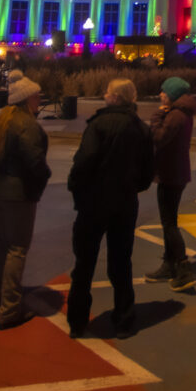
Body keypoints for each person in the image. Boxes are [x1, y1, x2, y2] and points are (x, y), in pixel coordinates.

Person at [67, 79, 154, 338]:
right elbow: (148, 171)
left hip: (94, 201)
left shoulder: (99, 125)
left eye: (106, 92)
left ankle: (77, 319)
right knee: (121, 261)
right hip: (125, 202)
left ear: (115, 97)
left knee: (84, 262)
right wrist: (132, 186)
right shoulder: (140, 128)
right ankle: (124, 318)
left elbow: (84, 161)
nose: (104, 95)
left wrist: (76, 187)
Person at [0, 78, 52, 329]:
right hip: (18, 193)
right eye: (36, 95)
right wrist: (43, 180)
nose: (40, 99)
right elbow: (36, 162)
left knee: (1, 244)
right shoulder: (26, 125)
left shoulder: (3, 121)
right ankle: (10, 307)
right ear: (26, 98)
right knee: (17, 248)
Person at [146, 76, 196, 291]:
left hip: (171, 173)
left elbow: (158, 137)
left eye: (163, 92)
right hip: (175, 172)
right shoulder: (180, 113)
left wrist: (157, 115)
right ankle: (169, 264)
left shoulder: (175, 115)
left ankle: (183, 268)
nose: (160, 95)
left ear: (172, 94)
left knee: (169, 223)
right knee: (169, 220)